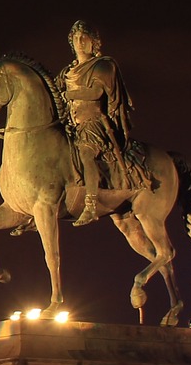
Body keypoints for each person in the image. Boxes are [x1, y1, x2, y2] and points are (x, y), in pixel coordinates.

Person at [59, 20, 141, 226]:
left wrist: (69, 93)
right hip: (71, 124)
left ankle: (91, 204)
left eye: (84, 38)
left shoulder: (103, 65)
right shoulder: (67, 71)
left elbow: (96, 92)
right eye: (76, 39)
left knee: (86, 153)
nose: (80, 42)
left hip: (94, 123)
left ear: (94, 42)